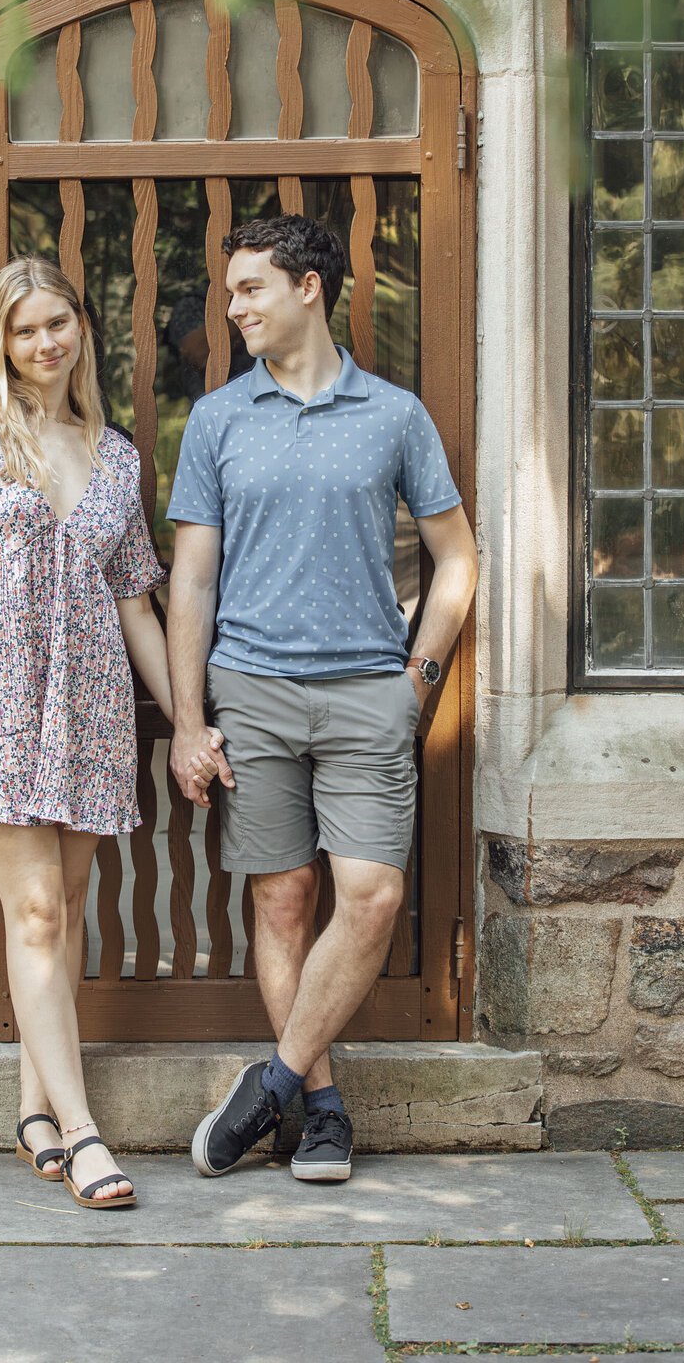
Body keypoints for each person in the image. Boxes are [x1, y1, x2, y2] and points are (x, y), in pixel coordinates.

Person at [0, 256, 223, 1210]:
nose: (45, 343)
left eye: (58, 324)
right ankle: (83, 1134)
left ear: (81, 328)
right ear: (2, 339)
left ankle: (35, 1111)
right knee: (36, 911)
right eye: (25, 329)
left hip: (90, 704)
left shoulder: (115, 453)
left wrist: (190, 725)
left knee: (69, 907)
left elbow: (137, 607)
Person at [165, 215, 478, 1184]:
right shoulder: (218, 419)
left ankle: (268, 1089)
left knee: (372, 898)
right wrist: (186, 721)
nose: (234, 307)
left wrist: (415, 685)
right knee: (285, 898)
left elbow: (458, 557)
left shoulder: (394, 415)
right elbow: (192, 583)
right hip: (250, 692)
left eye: (250, 288)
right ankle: (325, 1108)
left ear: (309, 287)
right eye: (230, 293)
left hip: (366, 695)